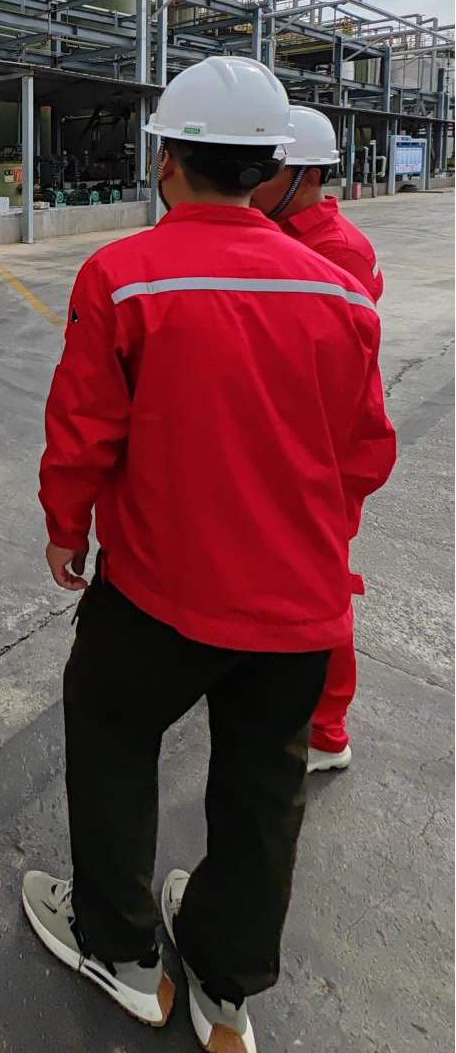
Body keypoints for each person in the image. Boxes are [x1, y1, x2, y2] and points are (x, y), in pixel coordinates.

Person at [23, 56, 396, 1053]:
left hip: (156, 593)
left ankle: (119, 945)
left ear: (167, 160)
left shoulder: (124, 276)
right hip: (298, 608)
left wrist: (66, 526)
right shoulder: (344, 296)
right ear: (267, 169)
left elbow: (83, 429)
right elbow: (365, 454)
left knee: (109, 730)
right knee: (263, 791)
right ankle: (225, 988)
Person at [251, 105, 382, 775]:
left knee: (319, 586)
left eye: (266, 170)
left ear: (303, 175)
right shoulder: (277, 232)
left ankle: (327, 731)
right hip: (276, 438)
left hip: (318, 449)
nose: (251, 181)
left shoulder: (338, 251)